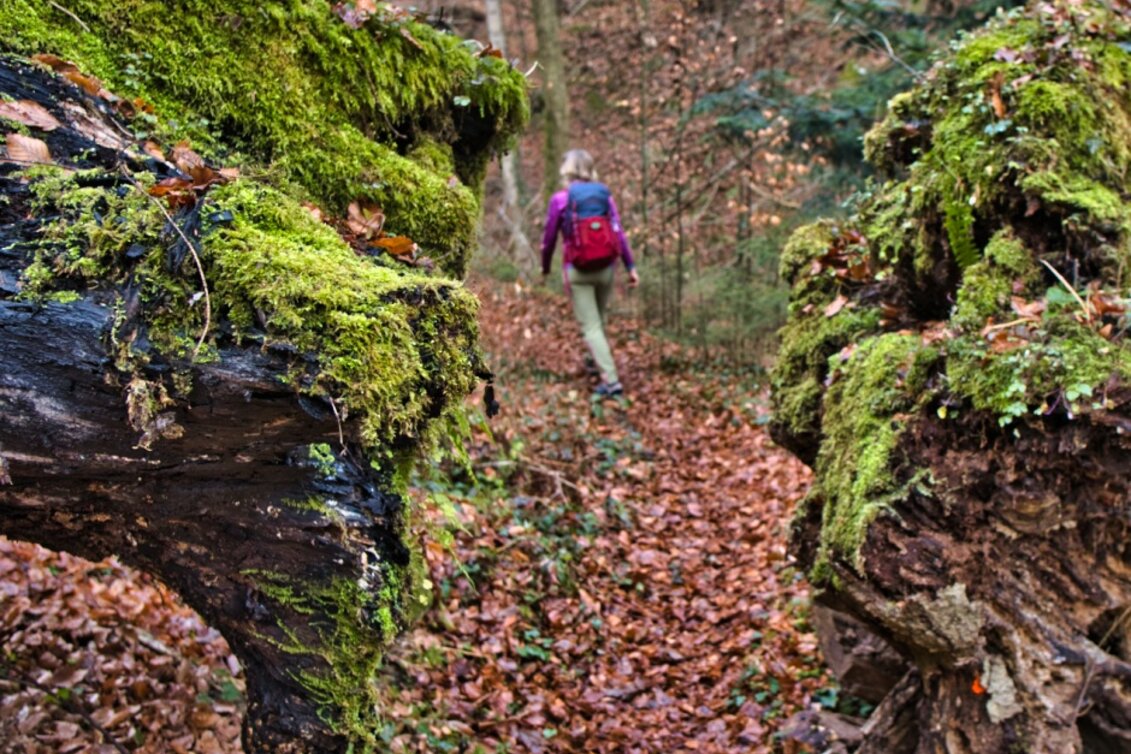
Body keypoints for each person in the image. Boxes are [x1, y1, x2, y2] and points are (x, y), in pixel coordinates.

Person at [541, 149, 639, 397]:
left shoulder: (560, 199)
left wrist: (545, 267)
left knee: (591, 327)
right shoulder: (603, 196)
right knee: (598, 322)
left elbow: (549, 238)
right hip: (607, 268)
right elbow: (618, 233)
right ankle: (597, 362)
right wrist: (630, 267)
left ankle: (611, 380)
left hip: (577, 271)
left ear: (567, 170)